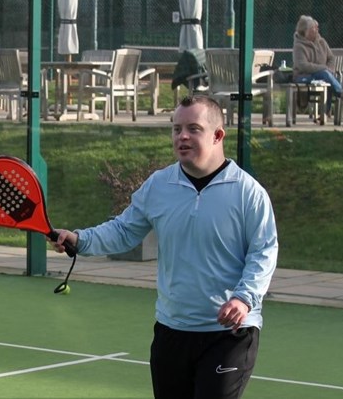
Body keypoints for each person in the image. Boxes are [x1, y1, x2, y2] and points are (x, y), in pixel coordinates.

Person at [51, 96, 278, 399]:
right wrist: (80, 240)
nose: (182, 136)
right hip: (172, 330)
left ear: (218, 135)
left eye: (193, 129)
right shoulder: (159, 185)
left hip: (230, 335)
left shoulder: (248, 192)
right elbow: (123, 230)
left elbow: (263, 251)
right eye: (176, 129)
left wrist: (244, 299)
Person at [291, 15, 343, 118]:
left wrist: (329, 70)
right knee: (324, 74)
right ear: (306, 31)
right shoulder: (299, 46)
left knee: (326, 77)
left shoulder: (322, 42)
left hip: (321, 75)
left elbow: (331, 58)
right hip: (302, 76)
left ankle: (324, 112)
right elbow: (303, 66)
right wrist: (323, 68)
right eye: (314, 27)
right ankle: (342, 94)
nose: (317, 29)